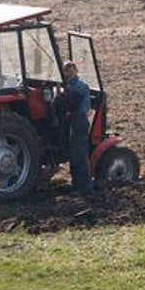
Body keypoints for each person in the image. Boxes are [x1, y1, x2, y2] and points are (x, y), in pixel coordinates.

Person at [62, 61, 93, 195]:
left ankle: (85, 187)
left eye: (70, 70)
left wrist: (66, 108)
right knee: (74, 153)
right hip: (73, 120)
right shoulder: (68, 86)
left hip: (79, 120)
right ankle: (76, 185)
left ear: (76, 70)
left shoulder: (80, 86)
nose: (69, 72)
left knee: (80, 153)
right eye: (66, 70)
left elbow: (73, 103)